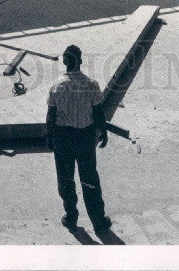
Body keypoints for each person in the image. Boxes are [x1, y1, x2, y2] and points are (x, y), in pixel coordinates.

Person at [46, 44, 112, 235]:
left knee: (65, 179)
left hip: (63, 138)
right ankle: (99, 221)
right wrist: (103, 132)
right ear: (80, 61)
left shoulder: (56, 86)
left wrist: (49, 137)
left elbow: (51, 115)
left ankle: (71, 217)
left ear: (64, 62)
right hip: (85, 137)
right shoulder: (91, 84)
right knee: (89, 179)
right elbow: (98, 112)